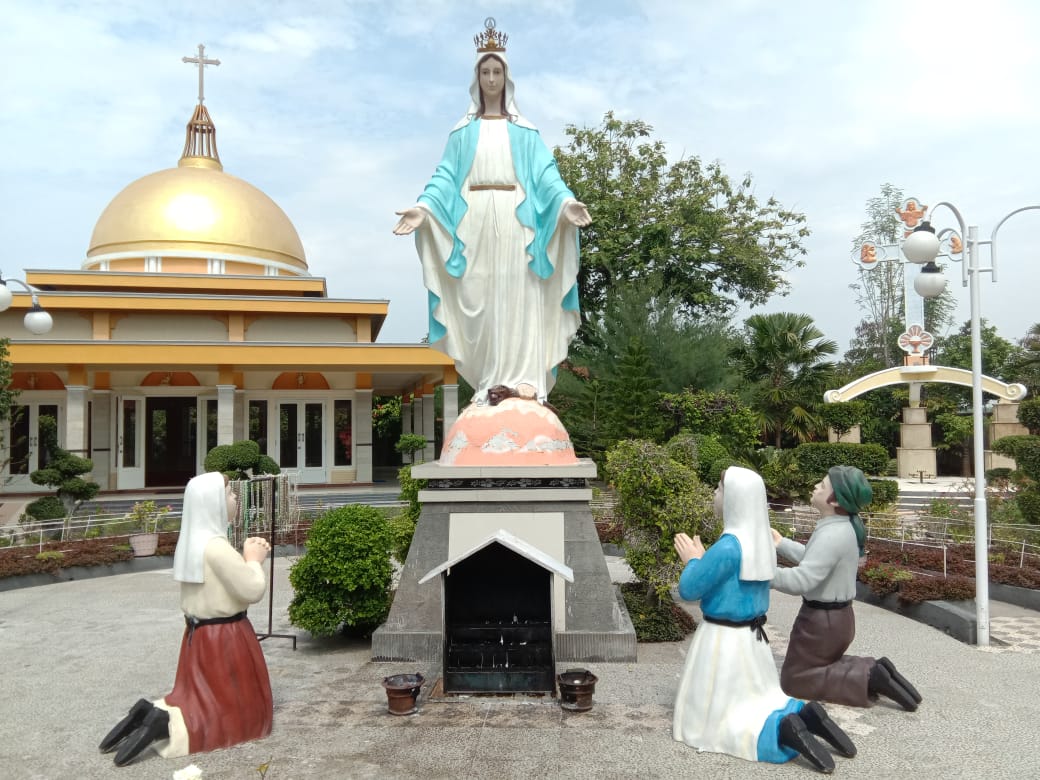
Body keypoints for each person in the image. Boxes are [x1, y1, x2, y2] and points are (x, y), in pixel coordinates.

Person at [393, 18, 591, 406]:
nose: (491, 77)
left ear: (507, 76)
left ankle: (526, 379)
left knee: (521, 295)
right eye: (484, 71)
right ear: (476, 78)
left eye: (496, 70)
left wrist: (566, 203)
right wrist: (424, 208)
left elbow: (547, 176)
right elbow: (445, 177)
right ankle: (490, 379)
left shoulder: (526, 133)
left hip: (520, 222)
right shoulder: (462, 132)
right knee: (482, 299)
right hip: (477, 221)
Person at [672, 466, 855, 774]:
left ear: (733, 500)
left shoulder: (729, 545)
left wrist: (694, 559)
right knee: (760, 694)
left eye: (719, 490)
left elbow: (689, 589)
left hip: (722, 640)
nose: (714, 496)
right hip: (753, 639)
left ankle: (776, 732)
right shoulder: (761, 541)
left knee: (724, 714)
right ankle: (803, 713)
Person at [99, 472, 274, 766]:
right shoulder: (217, 547)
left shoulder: (192, 543)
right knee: (234, 709)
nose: (235, 500)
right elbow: (252, 589)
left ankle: (152, 711)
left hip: (198, 637)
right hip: (226, 638)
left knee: (200, 694)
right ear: (214, 504)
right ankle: (169, 725)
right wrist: (253, 559)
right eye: (230, 495)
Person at [771, 466, 922, 712]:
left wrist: (763, 573)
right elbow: (815, 560)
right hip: (834, 619)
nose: (815, 488)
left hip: (822, 621)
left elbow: (802, 580)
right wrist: (781, 543)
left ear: (835, 499)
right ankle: (876, 670)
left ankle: (868, 676)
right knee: (812, 669)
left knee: (797, 681)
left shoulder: (833, 534)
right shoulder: (840, 527)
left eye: (821, 486)